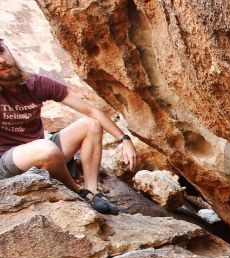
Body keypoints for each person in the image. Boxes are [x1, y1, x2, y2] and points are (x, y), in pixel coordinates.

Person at [0, 37, 138, 214]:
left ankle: (93, 191)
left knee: (91, 125)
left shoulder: (36, 83)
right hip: (7, 162)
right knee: (46, 148)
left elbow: (92, 111)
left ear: (7, 49)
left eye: (1, 51)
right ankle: (80, 192)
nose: (1, 60)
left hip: (44, 155)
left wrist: (125, 140)